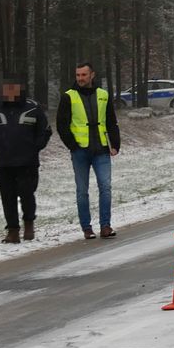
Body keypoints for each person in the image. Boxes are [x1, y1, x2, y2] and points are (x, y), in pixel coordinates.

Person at [0, 73, 51, 244]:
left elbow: (45, 130)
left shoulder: (33, 107)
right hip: (4, 162)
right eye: (6, 88)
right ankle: (13, 231)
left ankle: (29, 222)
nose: (9, 92)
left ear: (20, 89)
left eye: (13, 88)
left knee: (27, 194)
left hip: (28, 161)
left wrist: (35, 146)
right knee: (7, 197)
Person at [57, 62, 121, 240]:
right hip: (80, 151)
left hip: (101, 149)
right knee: (82, 191)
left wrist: (115, 144)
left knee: (105, 188)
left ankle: (105, 226)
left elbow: (111, 121)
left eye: (83, 75)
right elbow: (61, 125)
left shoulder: (103, 95)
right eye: (78, 75)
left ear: (92, 75)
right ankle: (86, 227)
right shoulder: (68, 96)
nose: (80, 78)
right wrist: (73, 145)